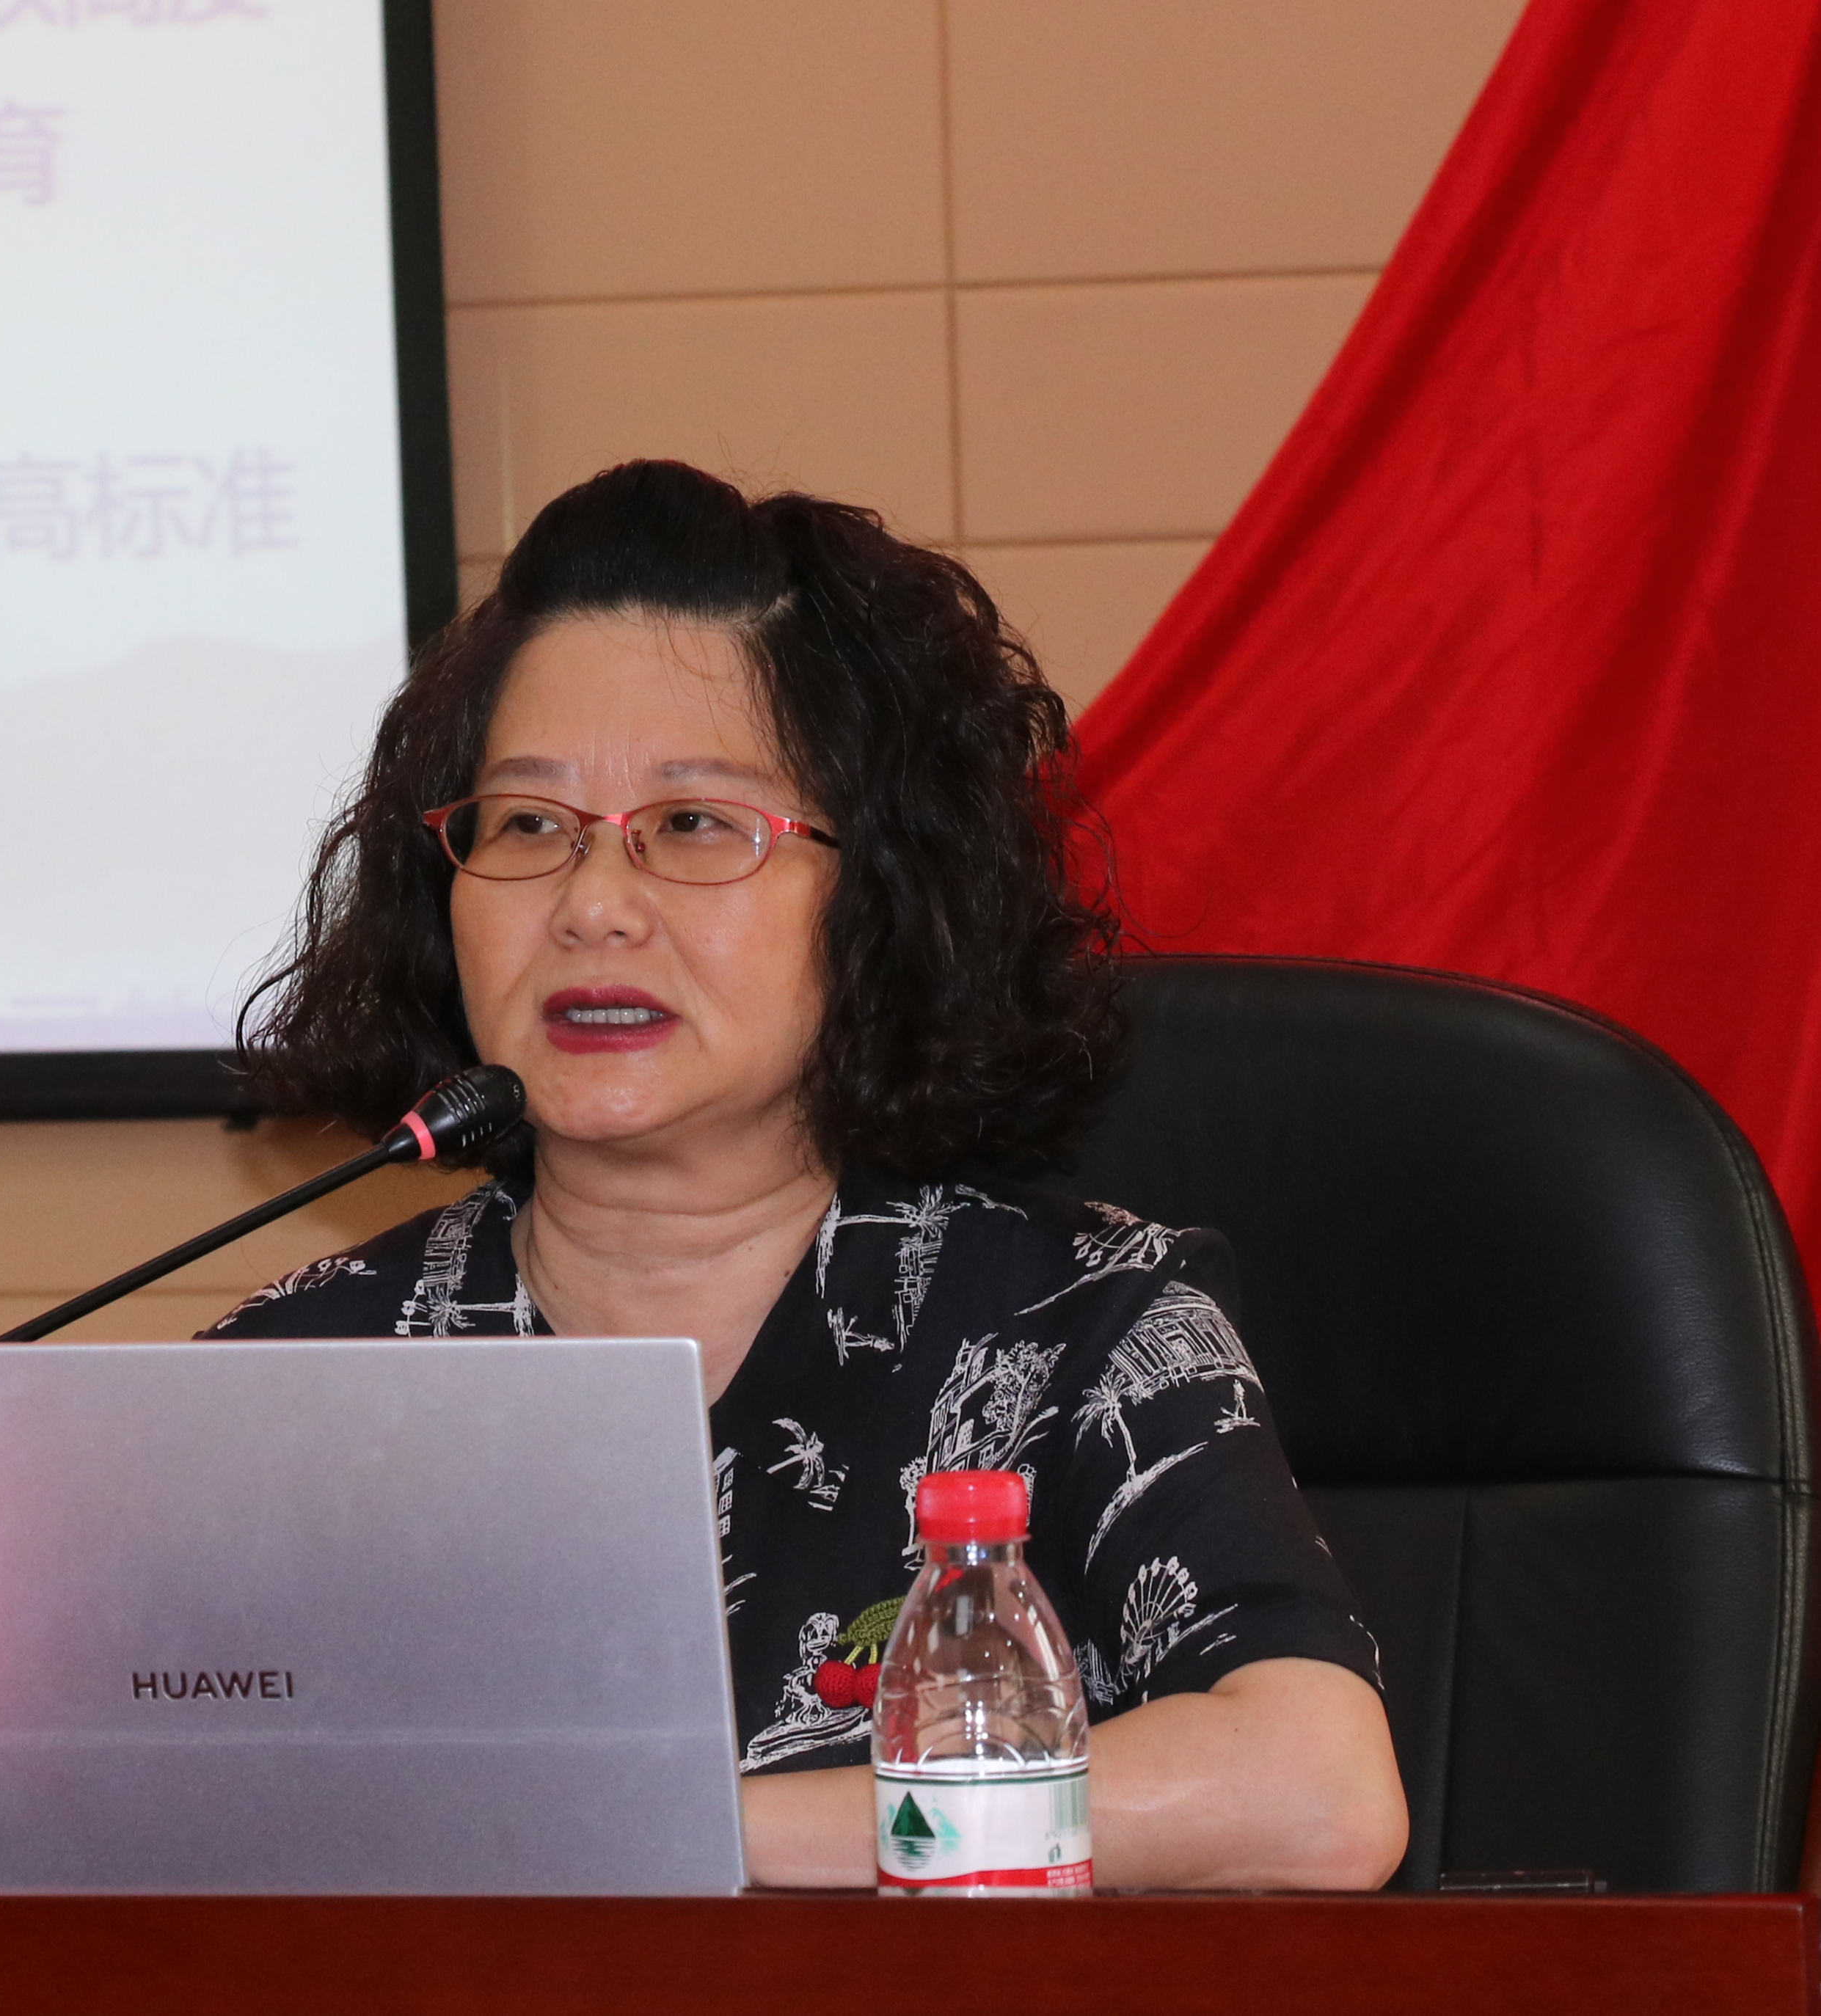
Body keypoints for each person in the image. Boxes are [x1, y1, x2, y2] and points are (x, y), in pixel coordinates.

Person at [211, 460, 1409, 1891]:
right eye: (527, 825)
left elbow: (1318, 1795)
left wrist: (674, 1839)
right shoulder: (295, 1380)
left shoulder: (1082, 1330)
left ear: (875, 901)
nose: (593, 906)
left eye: (693, 825)